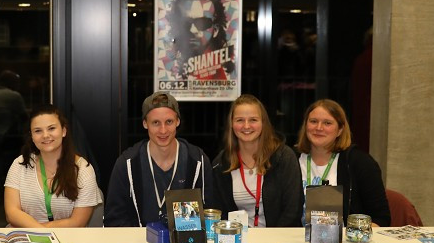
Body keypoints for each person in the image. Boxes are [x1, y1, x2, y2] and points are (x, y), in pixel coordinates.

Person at [104, 92, 218, 227]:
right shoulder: (127, 164)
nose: (163, 130)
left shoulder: (197, 161)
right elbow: (114, 220)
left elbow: (210, 214)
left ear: (178, 122)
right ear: (145, 124)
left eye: (169, 122)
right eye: (156, 123)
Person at [211, 94, 303, 227]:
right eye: (240, 120)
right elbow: (220, 214)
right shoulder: (221, 164)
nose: (246, 126)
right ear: (231, 124)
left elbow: (293, 210)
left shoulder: (284, 157)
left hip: (279, 240)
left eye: (253, 120)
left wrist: (271, 241)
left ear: (263, 123)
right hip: (239, 241)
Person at [3, 104, 102, 227]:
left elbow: (78, 222)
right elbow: (11, 213)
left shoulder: (83, 169)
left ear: (63, 131)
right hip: (27, 238)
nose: (45, 135)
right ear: (32, 136)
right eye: (38, 131)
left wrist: (42, 232)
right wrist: (41, 232)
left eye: (51, 128)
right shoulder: (20, 164)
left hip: (69, 241)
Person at [295, 99, 390, 226]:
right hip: (294, 241)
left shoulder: (360, 163)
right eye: (313, 121)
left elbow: (381, 219)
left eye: (327, 123)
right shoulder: (290, 160)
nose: (318, 128)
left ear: (340, 130)